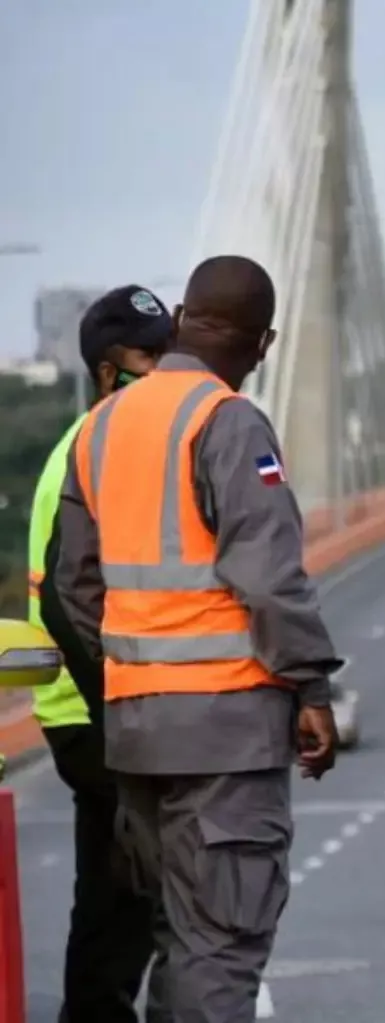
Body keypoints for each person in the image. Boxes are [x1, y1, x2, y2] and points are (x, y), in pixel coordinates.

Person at [52, 255, 343, 1023]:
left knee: (179, 938)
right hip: (227, 733)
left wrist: (130, 662)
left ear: (182, 317)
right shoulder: (229, 421)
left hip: (136, 733)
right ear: (265, 342)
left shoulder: (101, 426)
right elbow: (270, 575)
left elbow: (73, 586)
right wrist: (310, 687)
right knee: (221, 943)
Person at [31, 285, 169, 1022]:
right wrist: (122, 707)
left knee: (129, 904)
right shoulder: (86, 454)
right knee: (121, 911)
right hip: (92, 711)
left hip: (112, 705)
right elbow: (65, 598)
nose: (167, 369)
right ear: (109, 373)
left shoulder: (123, 446)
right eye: (151, 355)